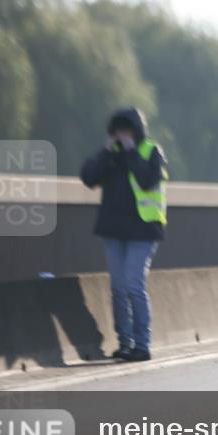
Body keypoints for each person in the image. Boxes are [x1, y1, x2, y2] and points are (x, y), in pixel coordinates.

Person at [80, 107, 168, 362]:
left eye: (127, 130)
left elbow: (146, 180)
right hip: (114, 231)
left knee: (133, 284)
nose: (123, 135)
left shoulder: (152, 152)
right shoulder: (111, 155)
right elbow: (88, 177)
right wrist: (106, 151)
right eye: (119, 131)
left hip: (142, 230)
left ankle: (142, 344)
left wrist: (130, 151)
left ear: (137, 130)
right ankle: (125, 343)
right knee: (118, 288)